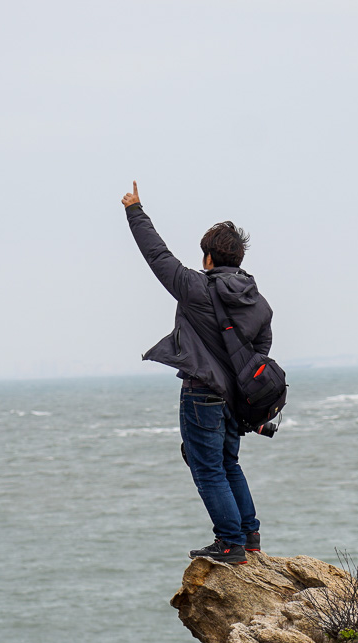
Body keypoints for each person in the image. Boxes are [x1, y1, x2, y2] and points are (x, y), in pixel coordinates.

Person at [121, 181, 274, 565]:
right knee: (227, 464)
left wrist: (135, 210)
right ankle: (249, 536)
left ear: (208, 257)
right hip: (234, 398)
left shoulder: (195, 288)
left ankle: (230, 544)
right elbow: (261, 351)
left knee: (207, 469)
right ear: (237, 259)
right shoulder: (258, 301)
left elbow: (157, 255)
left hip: (202, 393)